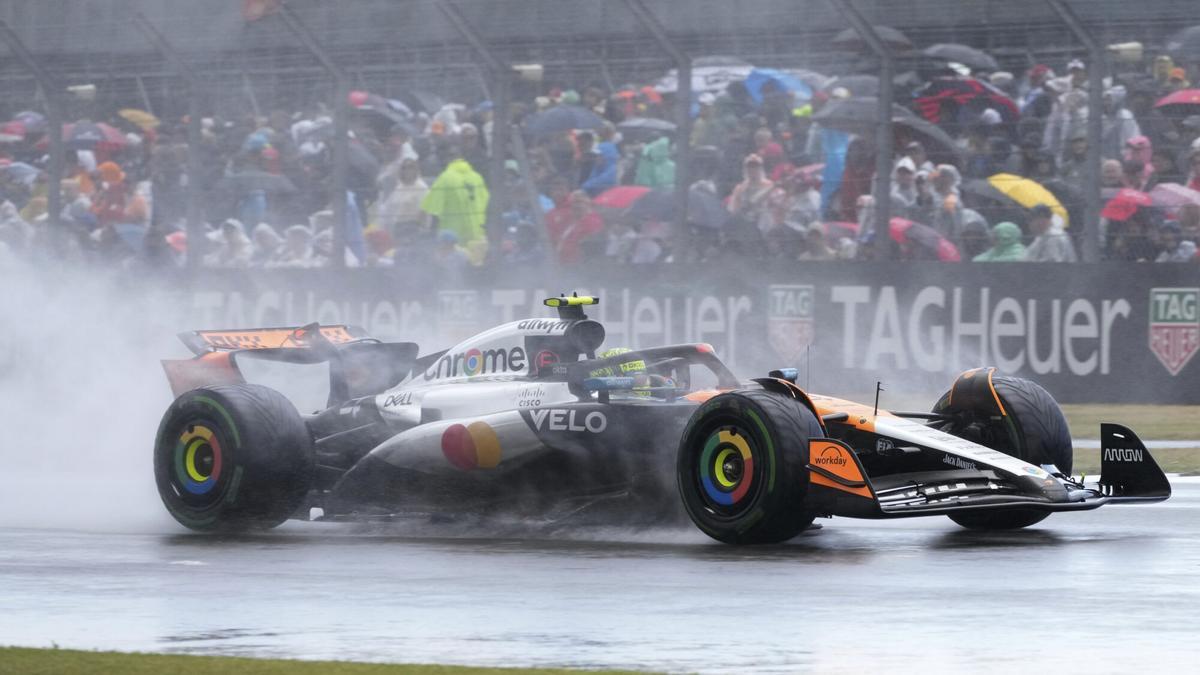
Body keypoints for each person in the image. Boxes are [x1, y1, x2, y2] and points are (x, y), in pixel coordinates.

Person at [420, 151, 490, 257]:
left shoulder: (445, 177)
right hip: (476, 232)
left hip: (452, 236)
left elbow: (430, 207)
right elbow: (487, 201)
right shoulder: (477, 177)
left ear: (448, 161)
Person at [546, 190, 604, 264]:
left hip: (580, 264)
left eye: (579, 202)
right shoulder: (572, 222)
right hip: (564, 262)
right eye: (573, 203)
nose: (576, 206)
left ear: (588, 203)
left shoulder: (593, 221)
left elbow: (590, 245)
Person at [727, 154, 774, 233]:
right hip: (746, 224)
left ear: (760, 169)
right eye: (750, 167)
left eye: (755, 167)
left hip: (764, 223)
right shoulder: (740, 188)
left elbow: (775, 206)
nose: (752, 170)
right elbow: (734, 209)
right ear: (745, 169)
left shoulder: (769, 185)